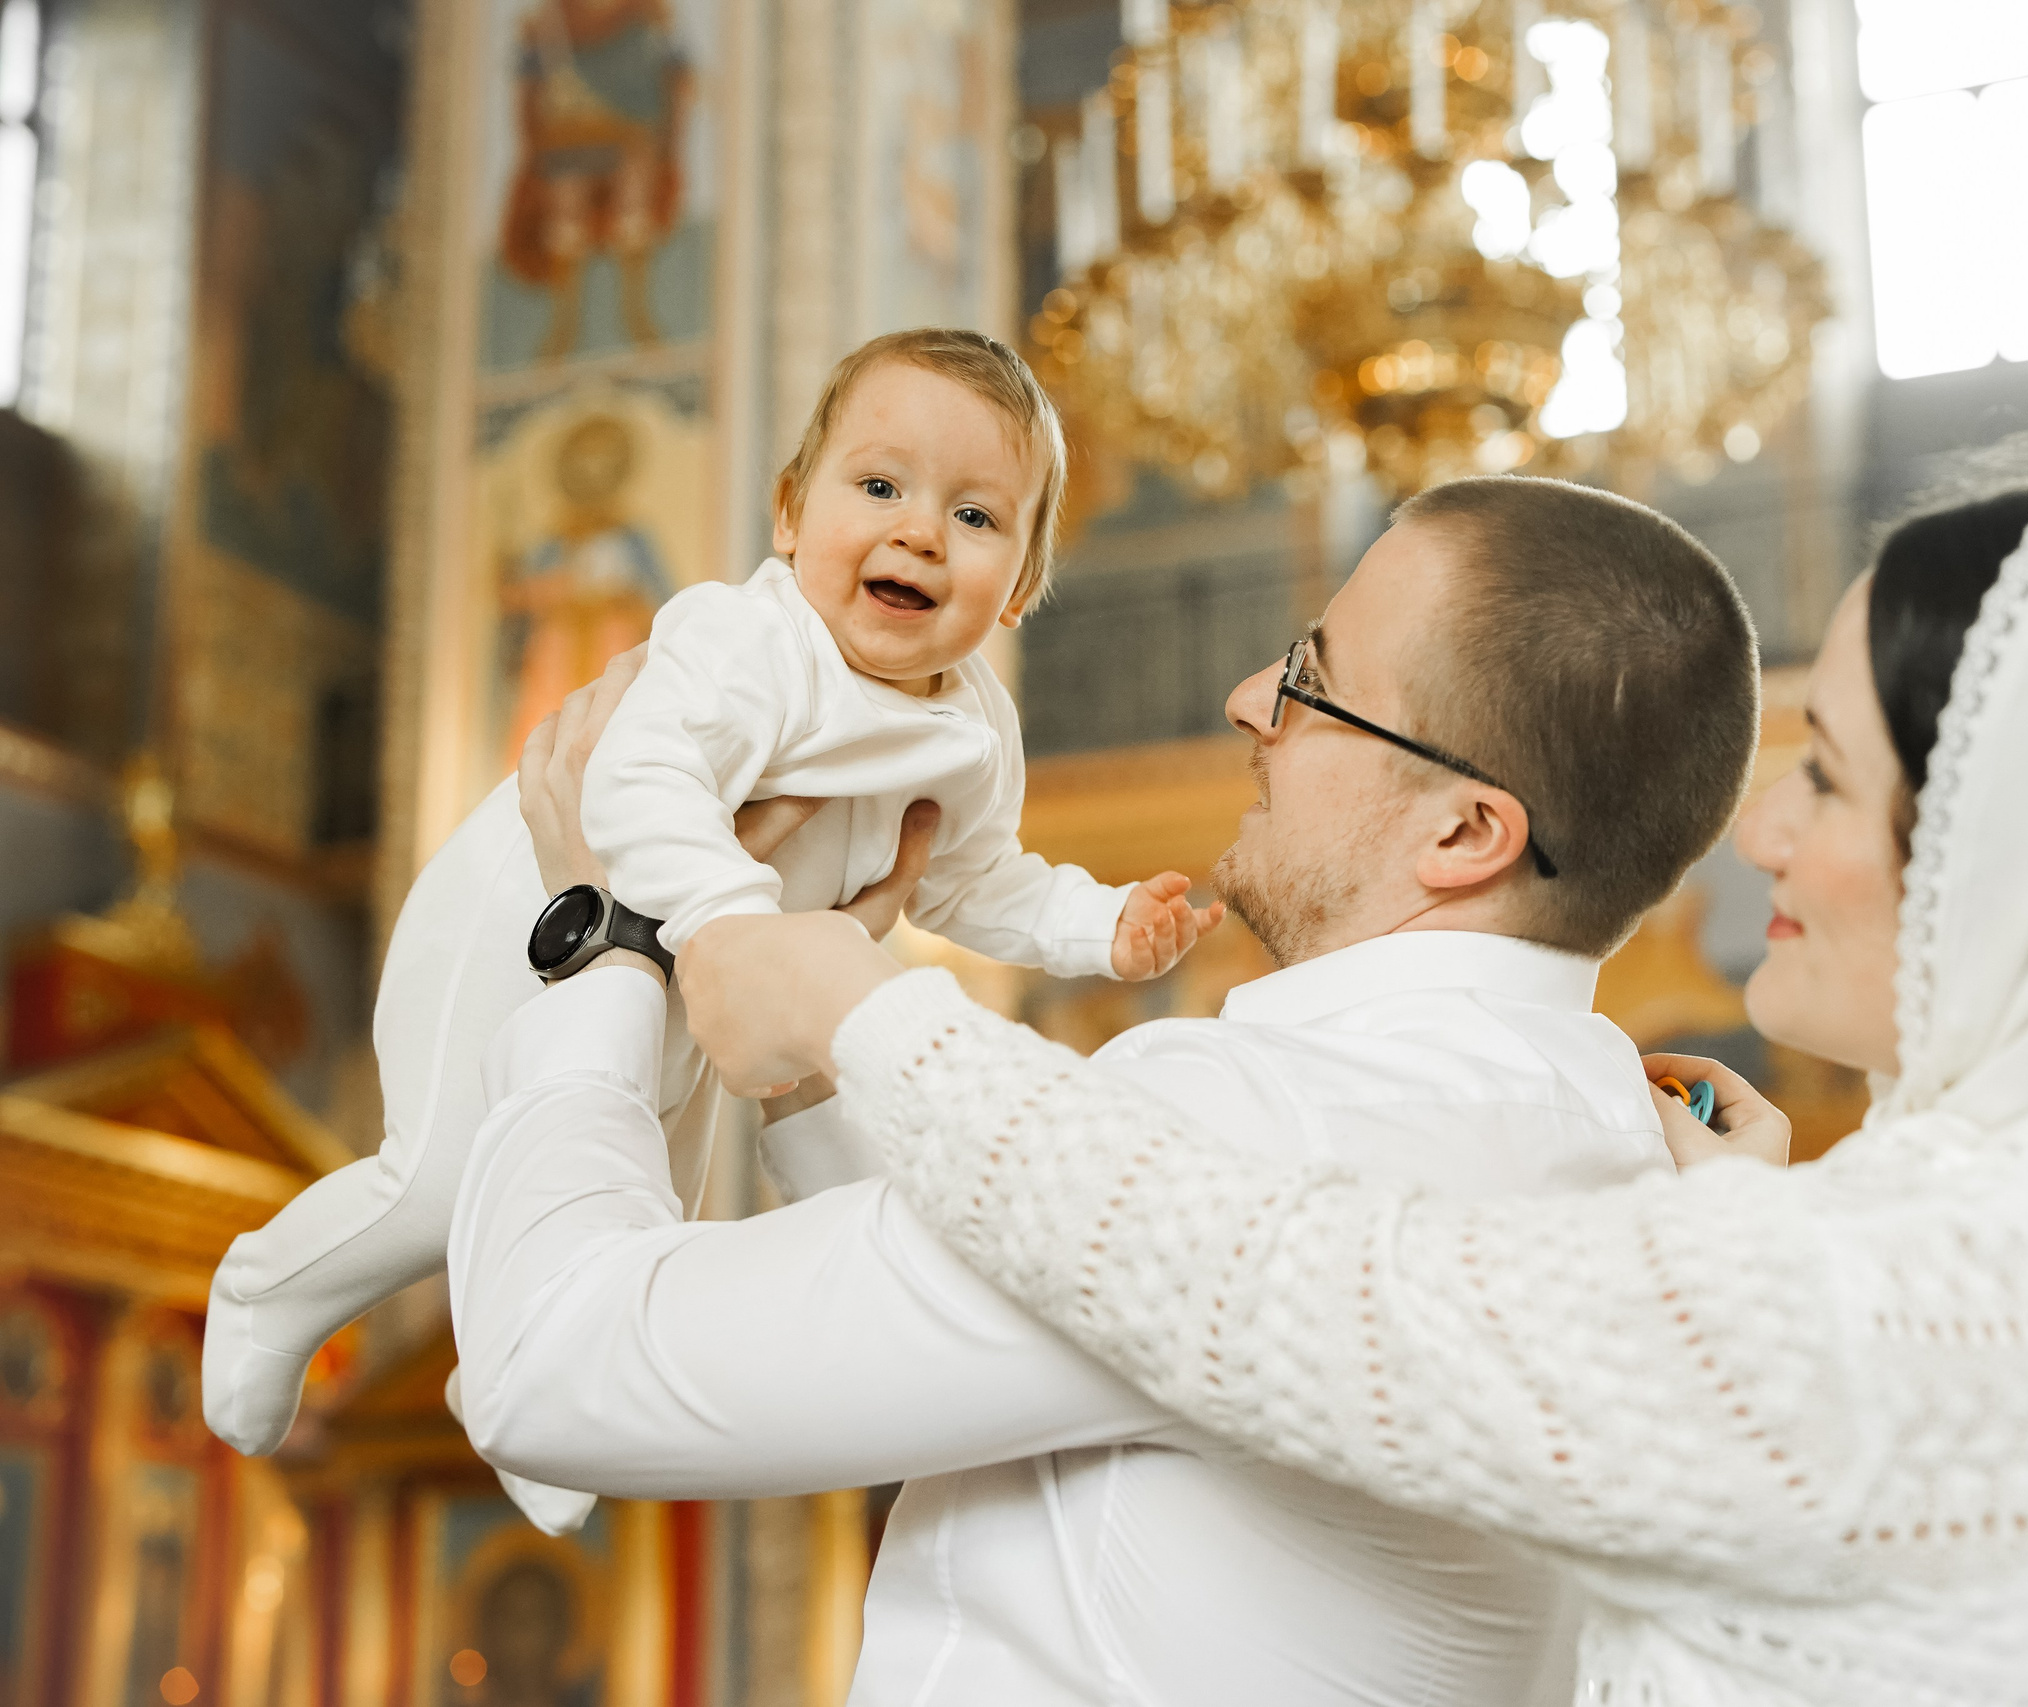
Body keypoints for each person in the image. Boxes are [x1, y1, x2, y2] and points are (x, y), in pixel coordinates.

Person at [681, 469, 2028, 1702]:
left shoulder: (1960, 1300)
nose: (1763, 831)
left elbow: (1304, 1296)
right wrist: (1768, 1229)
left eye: (1824, 771)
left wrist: (868, 1019)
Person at [448, 475, 1772, 1705]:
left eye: (1316, 679)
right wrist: (812, 1062)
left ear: (1464, 830)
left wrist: (609, 932)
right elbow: (996, 1329)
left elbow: (553, 1365)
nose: (1253, 695)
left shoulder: (1243, 1120)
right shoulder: (1634, 1157)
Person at [202, 330, 1216, 1534]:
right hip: (533, 913)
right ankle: (268, 1291)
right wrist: (744, 930)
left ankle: (513, 1390)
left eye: (977, 517)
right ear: (791, 517)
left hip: (695, 982)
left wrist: (1102, 927)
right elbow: (637, 785)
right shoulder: (756, 644)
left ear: (1022, 586)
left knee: (642, 1201)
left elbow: (970, 882)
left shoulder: (976, 732)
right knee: (439, 1179)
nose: (919, 533)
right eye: (879, 487)